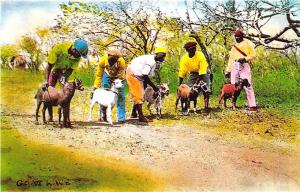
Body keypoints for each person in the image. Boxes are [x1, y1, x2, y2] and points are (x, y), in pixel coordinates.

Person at [126, 47, 167, 122]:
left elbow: (146, 75)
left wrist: (145, 86)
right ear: (157, 54)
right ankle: (141, 117)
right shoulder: (151, 61)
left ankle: (134, 113)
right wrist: (154, 87)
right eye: (162, 55)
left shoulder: (153, 61)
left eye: (165, 56)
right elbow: (145, 75)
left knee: (140, 93)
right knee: (139, 95)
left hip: (138, 76)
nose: (163, 58)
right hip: (133, 74)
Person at [225, 28, 257, 111]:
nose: (237, 38)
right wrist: (228, 70)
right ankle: (233, 104)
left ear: (242, 36)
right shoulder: (234, 47)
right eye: (236, 36)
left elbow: (253, 55)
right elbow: (231, 59)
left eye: (239, 36)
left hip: (244, 65)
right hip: (234, 65)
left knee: (247, 84)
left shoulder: (248, 43)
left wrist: (245, 59)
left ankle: (252, 105)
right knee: (233, 86)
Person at [93, 48, 127, 123]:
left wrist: (115, 81)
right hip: (107, 75)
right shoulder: (102, 60)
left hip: (118, 78)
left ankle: (121, 118)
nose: (112, 62)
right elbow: (99, 75)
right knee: (104, 94)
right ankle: (103, 116)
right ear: (108, 55)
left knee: (120, 96)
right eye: (111, 59)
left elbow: (120, 76)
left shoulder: (121, 62)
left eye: (115, 60)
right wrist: (96, 86)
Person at [178, 42, 210, 113]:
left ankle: (206, 107)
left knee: (206, 89)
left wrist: (196, 84)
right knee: (188, 90)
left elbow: (202, 71)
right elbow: (182, 72)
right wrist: (179, 85)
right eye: (192, 49)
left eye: (195, 48)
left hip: (203, 73)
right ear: (187, 50)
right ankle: (186, 106)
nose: (194, 50)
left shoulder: (200, 55)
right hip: (193, 73)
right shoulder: (184, 59)